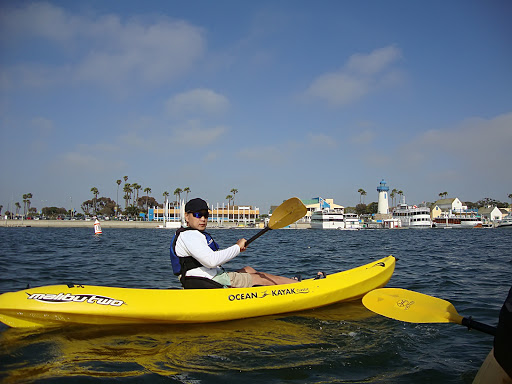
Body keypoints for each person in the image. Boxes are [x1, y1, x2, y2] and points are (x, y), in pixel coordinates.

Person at [170, 197, 299, 289]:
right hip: (205, 281)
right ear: (187, 216)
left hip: (208, 276)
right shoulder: (189, 235)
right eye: (198, 215)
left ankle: (287, 285)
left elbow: (211, 259)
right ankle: (299, 287)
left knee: (248, 269)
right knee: (259, 277)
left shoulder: (192, 235)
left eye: (206, 215)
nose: (203, 219)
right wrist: (237, 248)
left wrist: (237, 249)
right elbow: (211, 261)